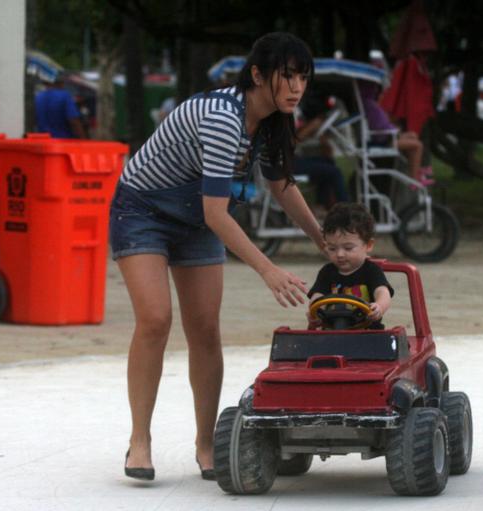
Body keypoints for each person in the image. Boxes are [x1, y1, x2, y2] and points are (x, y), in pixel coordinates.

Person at [111, 32, 324, 481]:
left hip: (198, 220)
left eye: (303, 77)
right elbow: (216, 212)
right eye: (287, 76)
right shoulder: (222, 117)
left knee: (205, 329)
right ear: (257, 75)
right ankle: (139, 441)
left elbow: (281, 184)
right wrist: (267, 269)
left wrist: (324, 240)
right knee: (155, 319)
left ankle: (207, 444)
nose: (296, 87)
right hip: (143, 210)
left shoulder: (272, 120)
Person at [307, 202, 393, 329]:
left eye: (348, 248)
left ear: (368, 245)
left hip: (367, 333)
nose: (340, 254)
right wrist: (314, 312)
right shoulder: (327, 272)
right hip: (332, 332)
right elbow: (318, 296)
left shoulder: (371, 270)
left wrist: (379, 306)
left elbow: (382, 292)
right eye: (332, 248)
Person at [358, 79, 431, 186]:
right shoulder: (371, 106)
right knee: (418, 145)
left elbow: (382, 125)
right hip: (384, 141)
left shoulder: (368, 104)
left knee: (413, 135)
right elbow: (381, 127)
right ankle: (415, 180)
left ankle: (416, 168)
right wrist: (395, 130)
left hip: (385, 137)